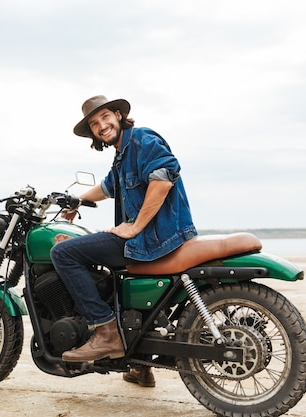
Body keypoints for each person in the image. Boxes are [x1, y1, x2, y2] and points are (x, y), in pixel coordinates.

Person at [50, 95, 197, 388]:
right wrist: (77, 200)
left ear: (118, 115)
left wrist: (133, 228)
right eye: (94, 124)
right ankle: (139, 366)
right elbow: (107, 187)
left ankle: (106, 333)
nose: (101, 126)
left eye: (105, 117)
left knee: (64, 253)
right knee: (108, 270)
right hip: (152, 237)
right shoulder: (122, 155)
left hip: (153, 238)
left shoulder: (141, 139)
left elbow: (164, 178)